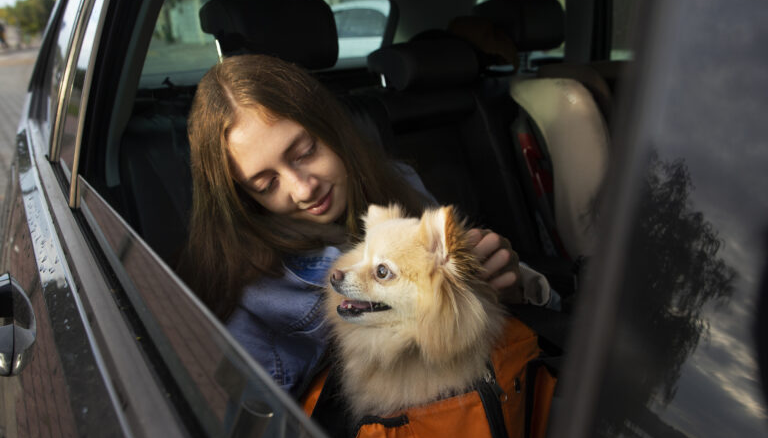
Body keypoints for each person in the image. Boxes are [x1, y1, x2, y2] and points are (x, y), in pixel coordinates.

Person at [178, 54, 536, 401]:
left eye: (304, 152)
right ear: (244, 200)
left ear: (332, 129)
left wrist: (507, 280)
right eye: (266, 185)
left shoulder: (398, 182)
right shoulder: (258, 296)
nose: (304, 188)